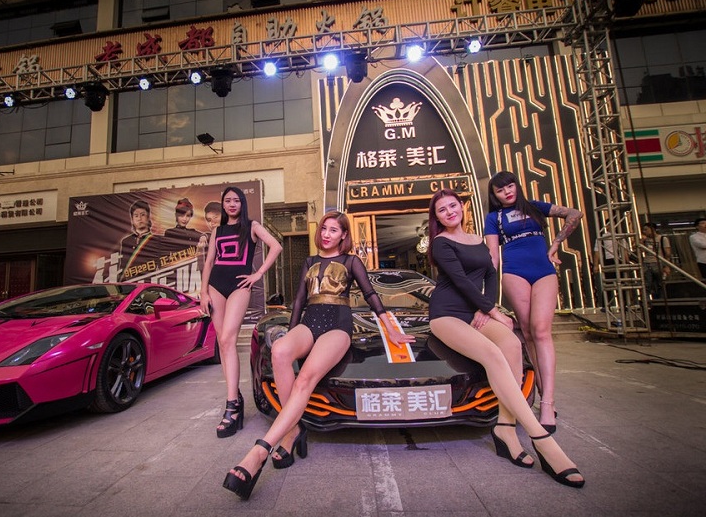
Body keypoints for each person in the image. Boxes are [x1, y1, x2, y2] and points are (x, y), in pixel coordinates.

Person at [222, 211, 415, 500]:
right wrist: (291, 333)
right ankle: (293, 429)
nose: (326, 234)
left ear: (343, 235)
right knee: (280, 351)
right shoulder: (310, 261)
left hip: (338, 325)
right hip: (309, 322)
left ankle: (261, 450)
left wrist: (391, 330)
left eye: (334, 230)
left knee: (304, 380)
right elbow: (300, 299)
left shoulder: (351, 261)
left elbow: (372, 295)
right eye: (324, 228)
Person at [428, 189, 584, 488]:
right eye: (442, 210)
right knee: (493, 355)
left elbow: (490, 273)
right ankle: (541, 437)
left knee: (512, 344)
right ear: (436, 218)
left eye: (453, 206)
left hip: (476, 311)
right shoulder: (440, 242)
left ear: (462, 207)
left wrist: (485, 308)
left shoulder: (477, 239)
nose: (449, 212)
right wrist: (495, 312)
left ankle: (505, 427)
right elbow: (461, 281)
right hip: (446, 314)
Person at [484, 171, 581, 434]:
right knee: (526, 331)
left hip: (544, 270)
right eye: (500, 190)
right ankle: (539, 388)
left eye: (510, 186)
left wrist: (556, 243)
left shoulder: (535, 207)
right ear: (494, 195)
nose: (507, 192)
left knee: (541, 330)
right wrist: (486, 295)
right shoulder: (494, 218)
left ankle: (548, 401)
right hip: (514, 272)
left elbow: (575, 214)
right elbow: (493, 256)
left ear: (516, 186)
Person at [199, 187, 282, 439]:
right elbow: (209, 262)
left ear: (242, 203)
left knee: (228, 339)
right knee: (223, 343)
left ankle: (232, 406)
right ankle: (234, 397)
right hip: (216, 285)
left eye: (236, 200)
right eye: (228, 201)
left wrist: (258, 274)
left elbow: (276, 246)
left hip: (240, 286)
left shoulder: (252, 226)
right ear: (223, 205)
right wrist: (203, 292)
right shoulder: (217, 231)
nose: (232, 204)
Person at [117, 200, 161, 281]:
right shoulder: (126, 241)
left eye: (142, 215)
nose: (139, 219)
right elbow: (122, 268)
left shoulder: (157, 240)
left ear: (148, 217)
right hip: (129, 284)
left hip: (149, 283)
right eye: (136, 216)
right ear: (132, 219)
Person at [640, 222, 671, 299]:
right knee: (647, 284)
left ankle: (661, 300)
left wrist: (666, 266)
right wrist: (641, 242)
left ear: (652, 229)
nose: (644, 231)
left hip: (658, 263)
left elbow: (667, 253)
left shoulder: (662, 239)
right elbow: (641, 250)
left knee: (660, 284)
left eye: (646, 229)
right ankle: (647, 301)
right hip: (647, 263)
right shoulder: (645, 240)